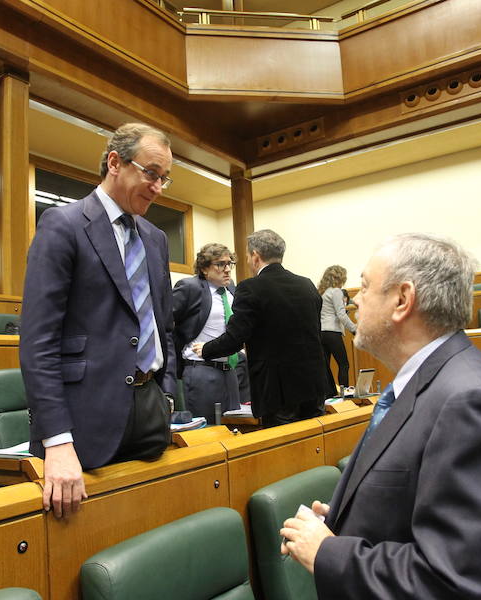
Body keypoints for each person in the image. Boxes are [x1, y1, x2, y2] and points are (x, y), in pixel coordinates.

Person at [279, 233, 481, 599]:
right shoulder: (430, 382)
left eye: (367, 287)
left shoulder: (471, 402)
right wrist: (346, 519)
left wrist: (327, 551)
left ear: (402, 300)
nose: (356, 299)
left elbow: (458, 581)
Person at [19, 122, 177, 518]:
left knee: (151, 528)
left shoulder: (155, 239)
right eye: (151, 174)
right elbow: (39, 343)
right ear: (114, 162)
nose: (158, 187)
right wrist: (56, 440)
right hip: (83, 423)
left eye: (165, 179)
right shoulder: (63, 225)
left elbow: (163, 326)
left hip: (150, 413)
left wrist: (167, 396)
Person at [193, 229, 329, 428]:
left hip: (278, 392)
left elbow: (235, 338)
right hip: (315, 386)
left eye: (247, 256)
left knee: (283, 452)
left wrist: (205, 349)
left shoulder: (250, 288)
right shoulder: (307, 285)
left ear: (255, 256)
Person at [172, 243, 242, 421]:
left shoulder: (232, 290)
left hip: (231, 371)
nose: (227, 269)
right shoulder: (190, 287)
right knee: (206, 431)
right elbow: (167, 324)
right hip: (201, 370)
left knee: (234, 427)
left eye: (230, 264)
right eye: (220, 264)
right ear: (204, 268)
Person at [317, 265, 357, 397]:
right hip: (333, 332)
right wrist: (354, 329)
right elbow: (341, 314)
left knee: (326, 367)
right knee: (344, 364)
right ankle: (344, 394)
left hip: (321, 332)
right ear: (340, 277)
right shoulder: (336, 291)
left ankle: (327, 395)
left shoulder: (323, 292)